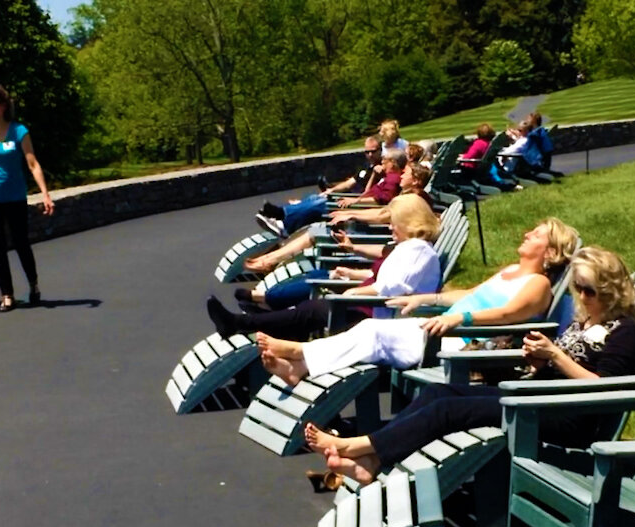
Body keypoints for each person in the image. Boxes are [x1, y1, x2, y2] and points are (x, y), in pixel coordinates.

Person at [305, 246, 635, 488]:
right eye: (579, 289)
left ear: (610, 291)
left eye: (590, 291)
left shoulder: (625, 331)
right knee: (438, 392)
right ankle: (373, 460)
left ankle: (362, 446)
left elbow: (606, 388)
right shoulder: (583, 323)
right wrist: (540, 361)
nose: (582, 297)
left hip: (566, 416)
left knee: (448, 411)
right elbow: (558, 367)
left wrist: (556, 356)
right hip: (536, 397)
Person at [255, 217, 578, 386]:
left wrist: (459, 320)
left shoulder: (538, 284)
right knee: (371, 329)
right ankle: (300, 366)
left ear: (550, 253)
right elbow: (470, 295)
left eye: (536, 235)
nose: (526, 234)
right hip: (442, 331)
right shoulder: (511, 271)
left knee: (373, 334)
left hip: (460, 345)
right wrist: (429, 297)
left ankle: (300, 355)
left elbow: (508, 314)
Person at [206, 195, 442, 340]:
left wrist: (354, 292)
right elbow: (384, 278)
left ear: (408, 222)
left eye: (394, 223)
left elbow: (393, 288)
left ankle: (242, 323)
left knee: (309, 311)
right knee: (308, 310)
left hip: (376, 316)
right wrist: (352, 275)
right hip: (367, 307)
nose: (391, 228)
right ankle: (258, 321)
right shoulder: (409, 247)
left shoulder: (418, 250)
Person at [0, 84, 55, 313]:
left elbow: (32, 163)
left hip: (14, 197)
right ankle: (7, 295)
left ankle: (33, 284)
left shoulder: (18, 131)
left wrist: (45, 194)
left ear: (4, 105)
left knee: (21, 243)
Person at [247, 149, 408, 270]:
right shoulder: (386, 178)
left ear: (393, 163)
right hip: (356, 209)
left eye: (385, 160)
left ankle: (280, 225)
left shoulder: (393, 179)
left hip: (358, 219)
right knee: (316, 202)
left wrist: (353, 205)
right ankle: (270, 254)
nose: (382, 162)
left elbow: (380, 201)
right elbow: (368, 192)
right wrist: (373, 176)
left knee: (321, 205)